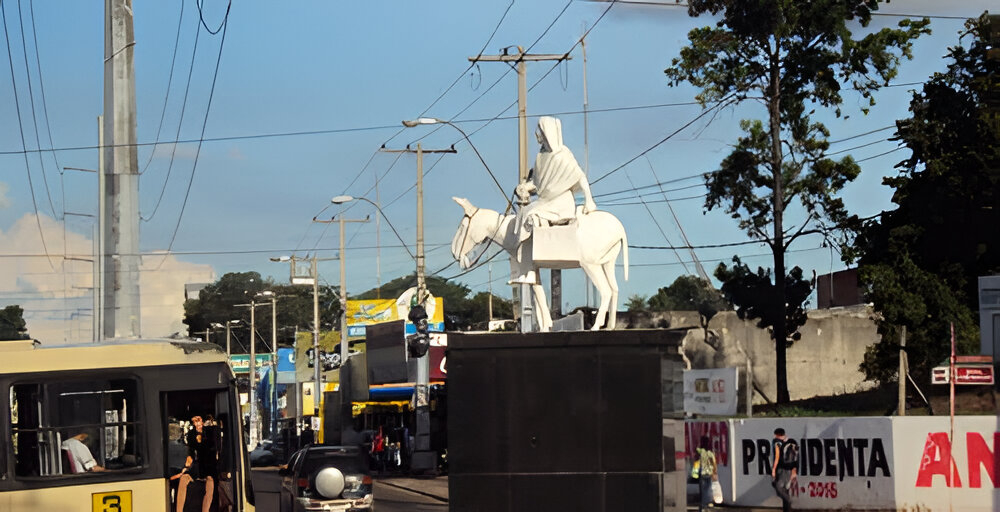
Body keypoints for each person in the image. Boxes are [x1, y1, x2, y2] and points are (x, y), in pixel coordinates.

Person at [512, 116, 597, 281]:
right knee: (525, 213)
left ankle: (534, 265)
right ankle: (529, 269)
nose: (537, 134)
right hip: (545, 201)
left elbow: (579, 176)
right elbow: (538, 184)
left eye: (540, 131)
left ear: (546, 132)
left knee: (531, 216)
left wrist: (589, 199)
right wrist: (524, 187)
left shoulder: (562, 154)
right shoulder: (541, 156)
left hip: (561, 202)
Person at [176, 415, 217, 512]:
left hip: (208, 465)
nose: (196, 423)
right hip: (197, 466)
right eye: (194, 421)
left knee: (210, 482)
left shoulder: (210, 432)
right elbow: (191, 451)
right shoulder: (191, 434)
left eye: (198, 420)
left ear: (203, 421)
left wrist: (201, 440)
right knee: (183, 479)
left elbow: (211, 449)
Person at [772, 428, 797, 512]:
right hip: (790, 469)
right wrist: (794, 470)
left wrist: (773, 469)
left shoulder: (776, 442)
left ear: (778, 435)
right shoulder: (792, 441)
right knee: (785, 489)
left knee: (777, 486)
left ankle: (788, 500)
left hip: (782, 468)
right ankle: (786, 509)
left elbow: (777, 457)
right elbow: (796, 457)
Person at [696, 435, 718, 511]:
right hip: (709, 473)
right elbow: (714, 463)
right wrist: (715, 472)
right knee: (708, 489)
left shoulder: (700, 451)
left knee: (702, 490)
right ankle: (707, 504)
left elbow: (696, 458)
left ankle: (702, 506)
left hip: (702, 472)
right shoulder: (711, 453)